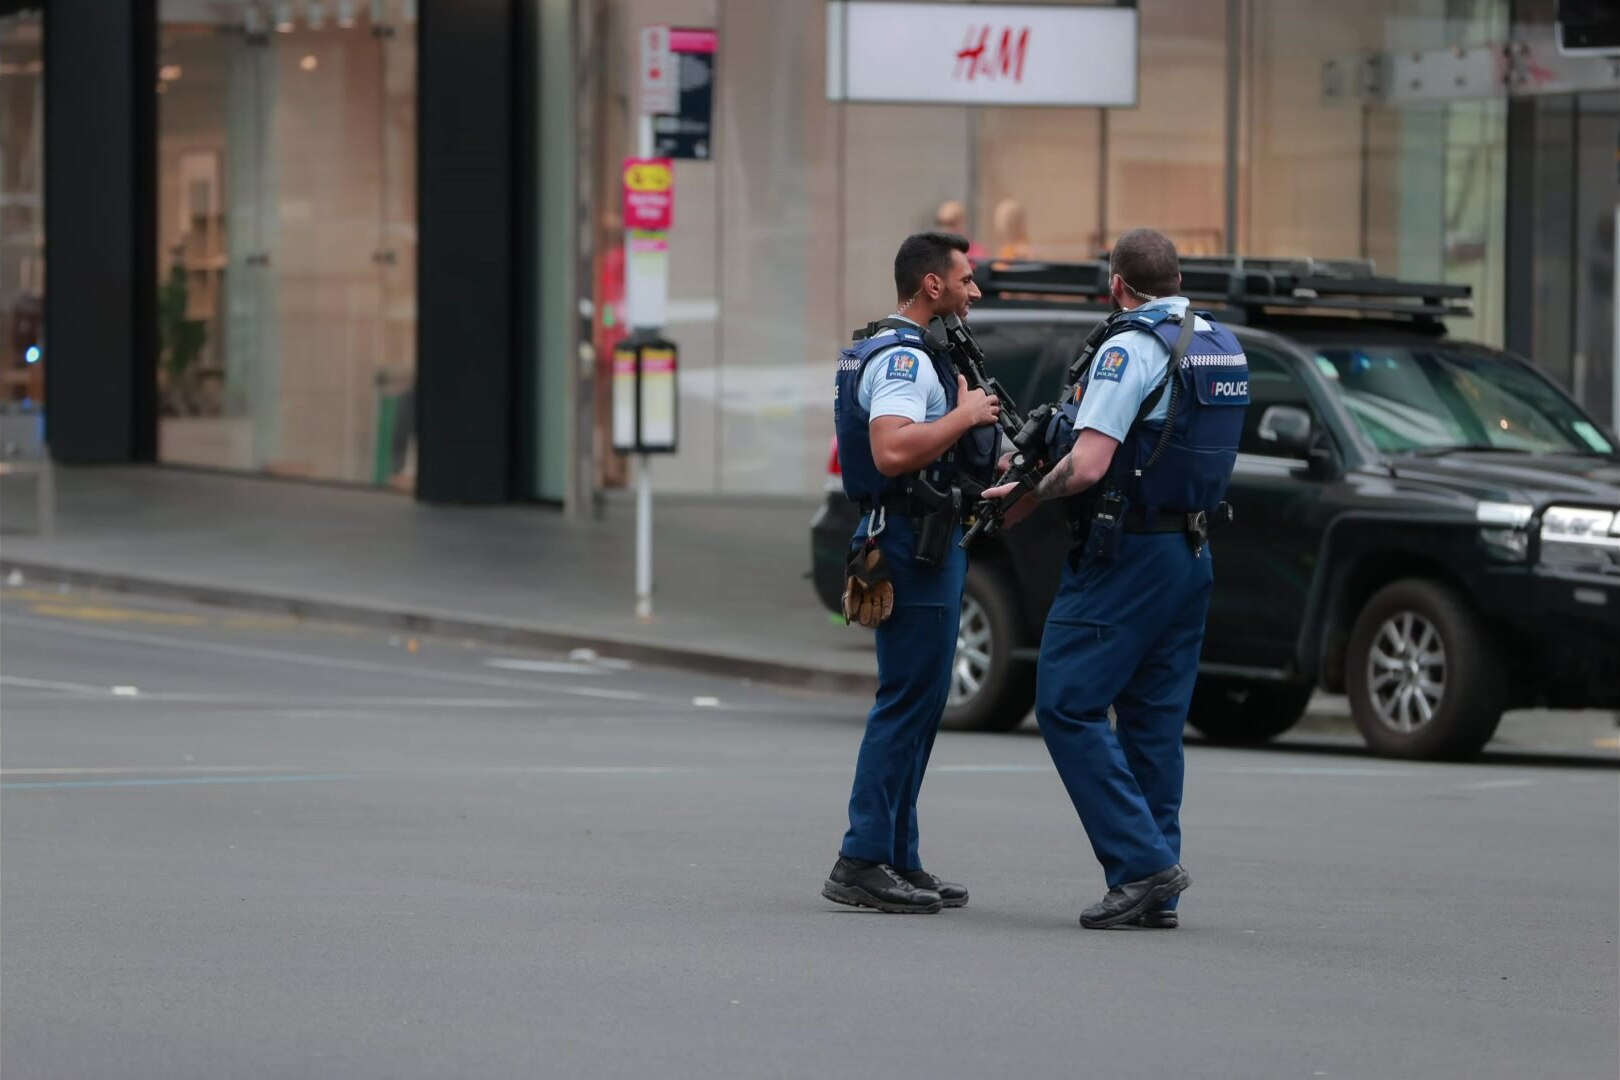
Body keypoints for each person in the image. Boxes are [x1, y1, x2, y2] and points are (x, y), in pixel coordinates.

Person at [982, 228, 1249, 929]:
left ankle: (1143, 866)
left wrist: (1026, 493)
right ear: (1178, 278)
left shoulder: (1130, 345)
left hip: (1127, 554)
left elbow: (1093, 464)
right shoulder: (1221, 341)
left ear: (1118, 286)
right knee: (1154, 725)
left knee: (1067, 702)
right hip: (1190, 552)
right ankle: (1154, 893)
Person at [823, 231, 1001, 914]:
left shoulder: (899, 349)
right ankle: (861, 858)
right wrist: (963, 416)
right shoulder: (901, 358)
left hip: (915, 535)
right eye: (965, 278)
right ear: (932, 284)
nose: (973, 289)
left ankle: (899, 855)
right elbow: (893, 449)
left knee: (922, 703)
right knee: (906, 703)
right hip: (909, 541)